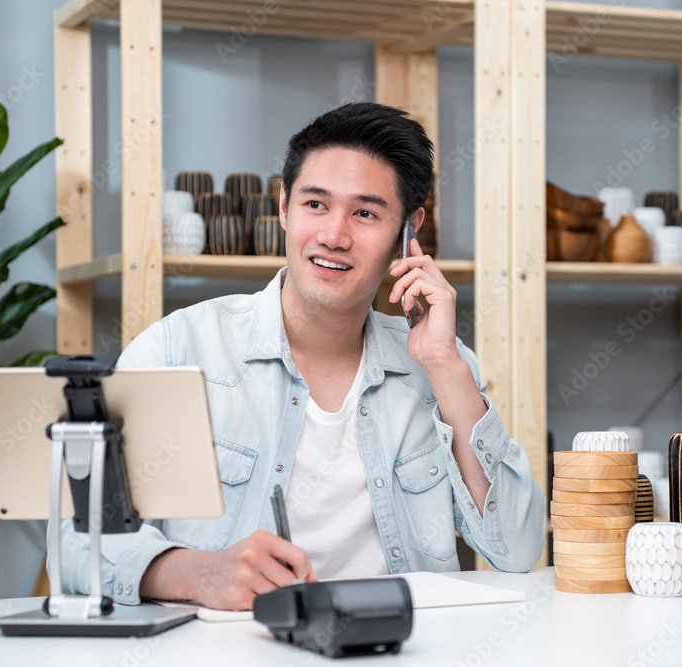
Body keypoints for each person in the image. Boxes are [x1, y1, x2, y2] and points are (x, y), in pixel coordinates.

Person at [51, 102, 546, 611]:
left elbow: (517, 549)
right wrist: (199, 574)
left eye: (366, 213)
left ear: (408, 231)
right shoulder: (179, 349)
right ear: (284, 206)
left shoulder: (439, 366)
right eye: (316, 205)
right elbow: (74, 542)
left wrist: (445, 366)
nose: (334, 235)